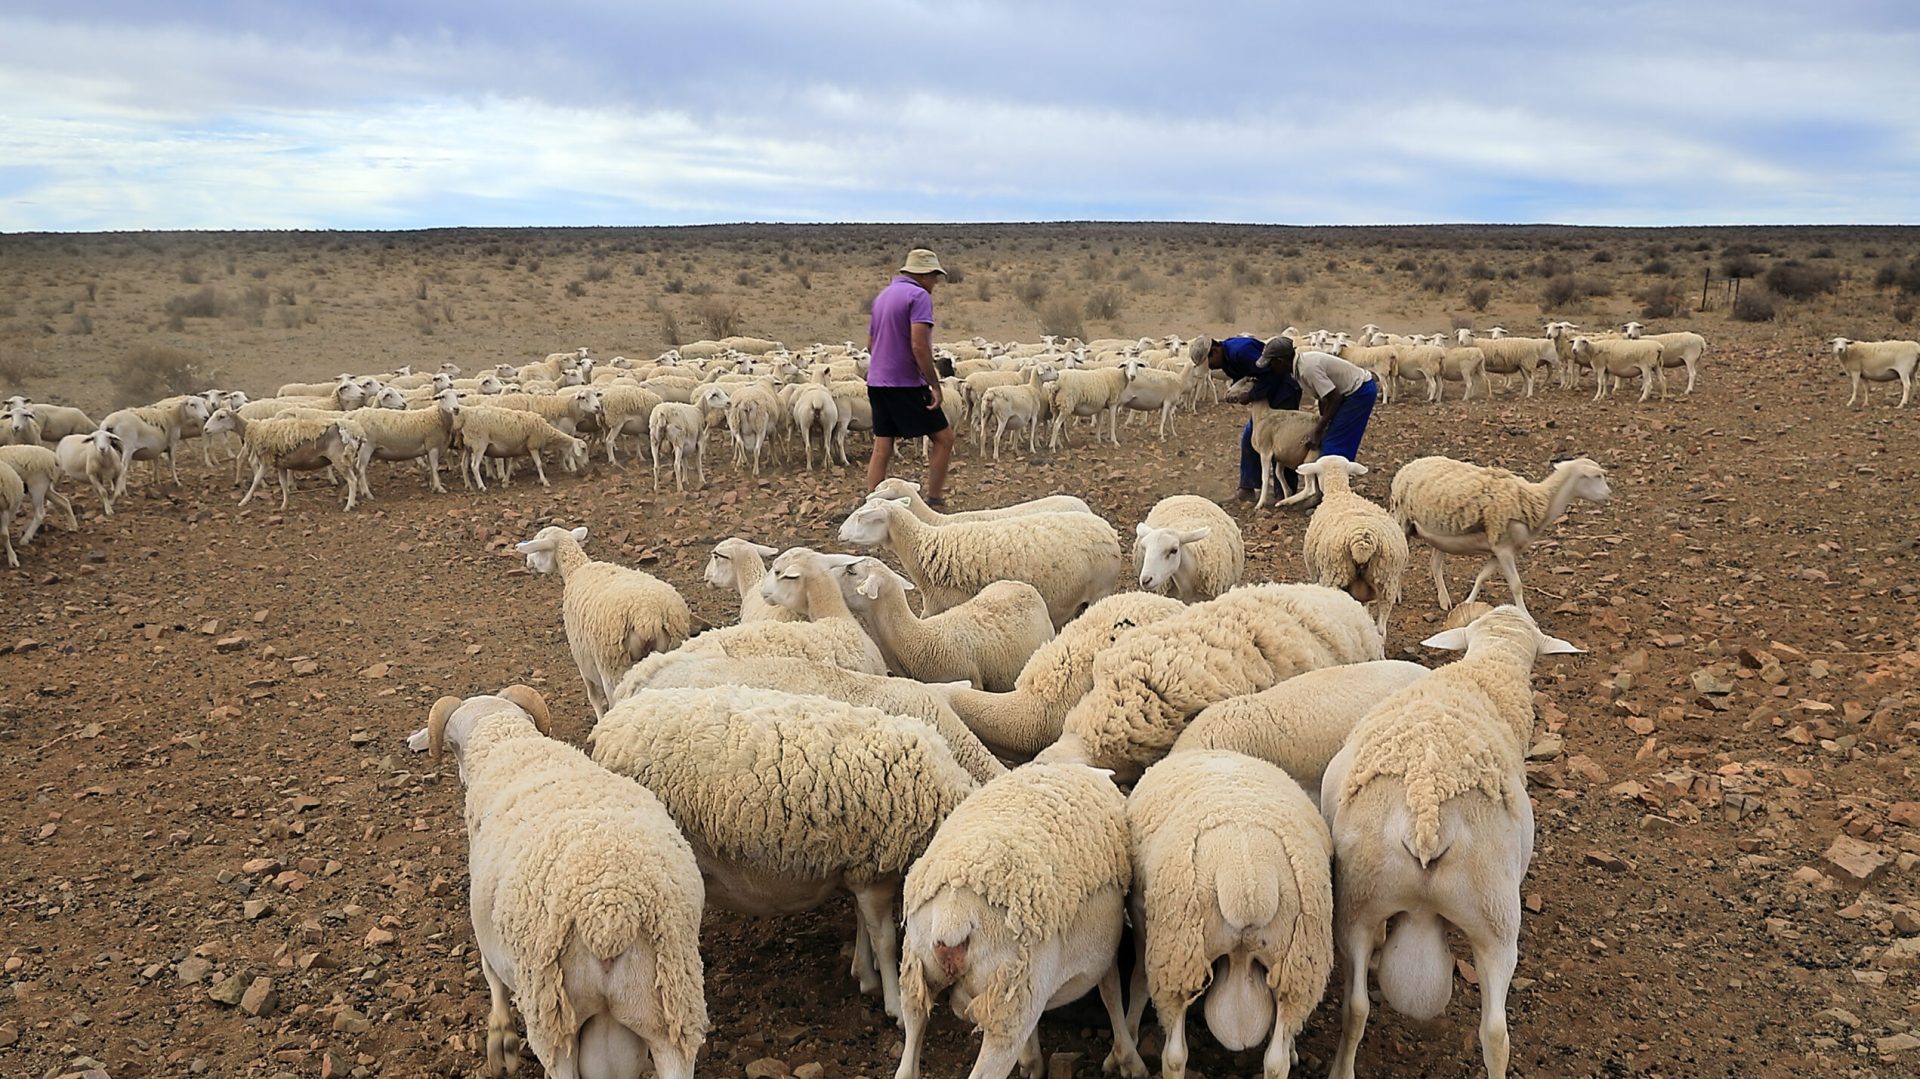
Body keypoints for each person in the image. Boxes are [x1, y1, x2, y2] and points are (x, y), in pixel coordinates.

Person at [864, 248, 954, 503]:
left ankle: (873, 505)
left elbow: (871, 345)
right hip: (904, 383)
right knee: (944, 438)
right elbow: (919, 346)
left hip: (877, 381)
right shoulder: (918, 296)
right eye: (934, 276)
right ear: (923, 274)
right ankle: (934, 499)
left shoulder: (883, 296)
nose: (936, 282)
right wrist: (933, 384)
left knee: (882, 445)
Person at [1190, 334, 1302, 501]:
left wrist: (1250, 395)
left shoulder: (1241, 352)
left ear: (1214, 351)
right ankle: (1247, 487)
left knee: (1281, 441)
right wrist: (1237, 391)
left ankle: (1285, 492)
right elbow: (1247, 378)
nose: (1211, 368)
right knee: (1252, 437)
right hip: (1265, 395)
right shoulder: (1226, 359)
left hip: (1283, 389)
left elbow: (1272, 373)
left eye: (1209, 363)